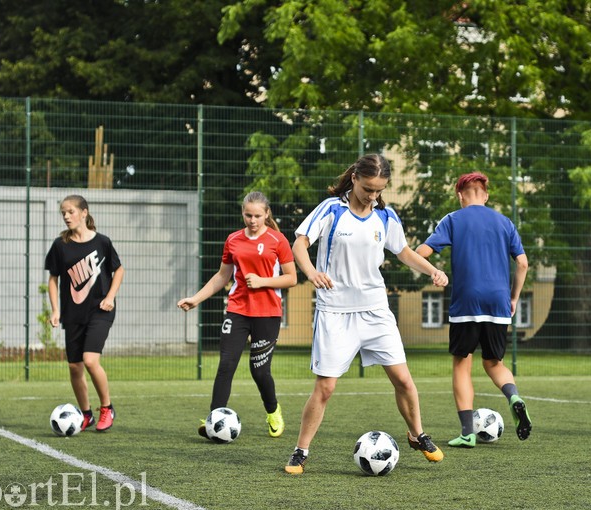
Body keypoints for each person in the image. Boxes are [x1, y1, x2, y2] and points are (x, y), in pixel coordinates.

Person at [284, 153, 449, 475]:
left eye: (378, 190)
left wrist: (433, 271)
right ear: (355, 178)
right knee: (326, 387)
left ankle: (418, 434)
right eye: (368, 188)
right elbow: (300, 243)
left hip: (375, 309)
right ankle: (300, 451)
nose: (372, 196)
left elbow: (403, 252)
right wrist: (311, 272)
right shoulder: (331, 209)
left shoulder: (385, 217)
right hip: (335, 310)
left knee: (403, 379)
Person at [416, 172, 532, 447]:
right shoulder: (505, 222)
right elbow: (523, 263)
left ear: (460, 194)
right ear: (486, 194)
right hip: (498, 302)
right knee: (494, 363)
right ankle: (513, 396)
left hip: (466, 301)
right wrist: (513, 298)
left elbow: (420, 252)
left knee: (462, 363)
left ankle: (467, 432)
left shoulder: (454, 219)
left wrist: (435, 271)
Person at [178, 191, 297, 440]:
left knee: (260, 371)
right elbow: (222, 276)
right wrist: (196, 299)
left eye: (257, 216)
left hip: (267, 313)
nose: (252, 220)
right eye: (247, 215)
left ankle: (273, 410)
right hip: (237, 310)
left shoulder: (278, 240)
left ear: (266, 214)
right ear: (242, 212)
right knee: (226, 365)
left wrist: (263, 281)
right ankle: (213, 419)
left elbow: (291, 278)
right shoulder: (233, 240)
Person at [45, 195, 124, 432]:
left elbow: (118, 270)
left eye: (70, 212)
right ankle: (86, 413)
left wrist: (110, 297)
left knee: (90, 360)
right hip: (72, 314)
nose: (66, 216)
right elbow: (53, 279)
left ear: (84, 213)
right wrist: (56, 310)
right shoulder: (61, 245)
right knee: (74, 367)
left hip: (100, 310)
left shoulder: (102, 242)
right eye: (63, 213)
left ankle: (107, 408)